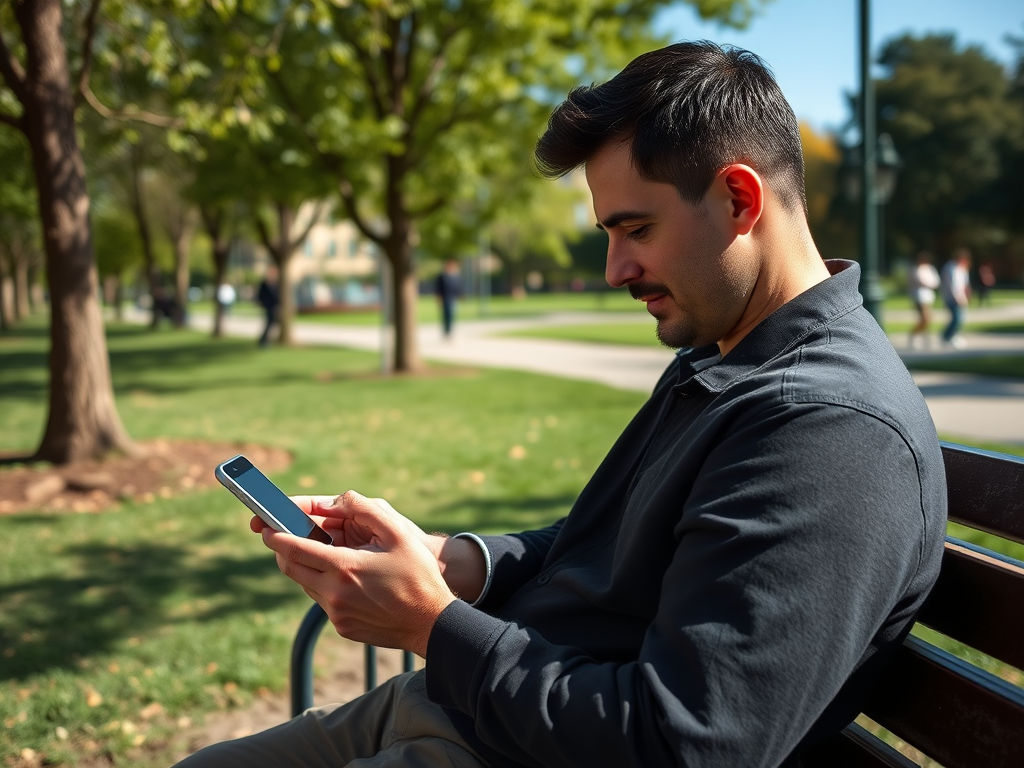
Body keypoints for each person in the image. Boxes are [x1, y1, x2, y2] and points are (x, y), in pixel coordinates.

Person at [176, 42, 945, 768]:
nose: (616, 268)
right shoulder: (727, 355)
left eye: (635, 228)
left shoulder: (832, 430)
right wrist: (458, 563)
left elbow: (683, 745)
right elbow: (602, 544)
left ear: (739, 198)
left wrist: (430, 624)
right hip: (468, 708)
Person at [907, 250, 940, 349]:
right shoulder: (916, 269)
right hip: (919, 297)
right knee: (925, 318)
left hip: (928, 297)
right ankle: (914, 335)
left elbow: (935, 281)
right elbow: (921, 281)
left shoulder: (929, 269)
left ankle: (925, 338)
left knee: (928, 319)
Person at [940, 248, 971, 348]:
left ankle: (950, 336)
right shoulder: (950, 268)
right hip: (952, 298)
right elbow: (953, 285)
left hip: (960, 297)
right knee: (956, 318)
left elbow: (964, 283)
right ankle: (948, 337)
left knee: (959, 318)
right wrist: (958, 298)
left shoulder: (960, 268)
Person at [434, 259, 462, 338]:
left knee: (452, 314)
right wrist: (438, 298)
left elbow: (458, 287)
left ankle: (450, 330)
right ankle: (446, 330)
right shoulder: (442, 277)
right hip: (445, 297)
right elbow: (438, 288)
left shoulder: (456, 276)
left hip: (453, 298)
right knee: (446, 315)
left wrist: (460, 295)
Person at [257, 265, 281, 348]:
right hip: (268, 306)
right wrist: (263, 303)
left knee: (272, 324)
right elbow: (260, 295)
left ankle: (265, 339)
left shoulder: (277, 283)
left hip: (275, 306)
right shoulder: (265, 283)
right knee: (269, 323)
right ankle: (264, 340)